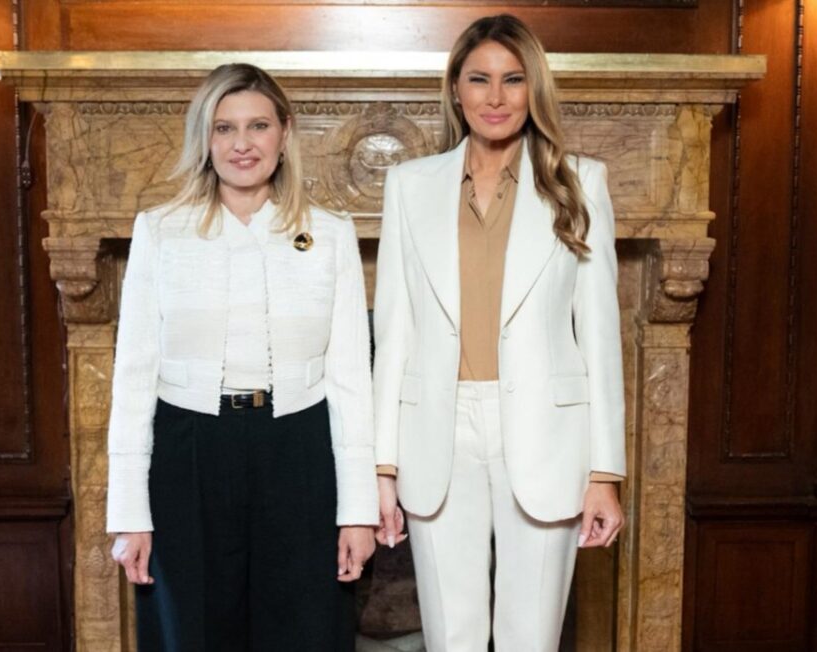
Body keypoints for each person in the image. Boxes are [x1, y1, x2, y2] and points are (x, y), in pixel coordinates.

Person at [372, 14, 627, 651]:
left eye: (513, 79)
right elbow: (394, 332)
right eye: (479, 79)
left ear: (533, 88)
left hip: (546, 431)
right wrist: (381, 467)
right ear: (455, 89)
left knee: (530, 638)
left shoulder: (581, 182)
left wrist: (605, 473)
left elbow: (601, 336)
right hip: (437, 428)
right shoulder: (409, 186)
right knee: (450, 637)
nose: (495, 96)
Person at [106, 62, 378, 651]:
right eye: (224, 128)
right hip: (188, 453)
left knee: (305, 633)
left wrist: (358, 511)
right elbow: (132, 379)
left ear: (284, 133)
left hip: (300, 450)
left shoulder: (330, 233)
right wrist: (129, 514)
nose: (242, 144)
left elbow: (352, 381)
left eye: (258, 126)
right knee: (193, 634)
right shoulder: (161, 231)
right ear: (204, 139)